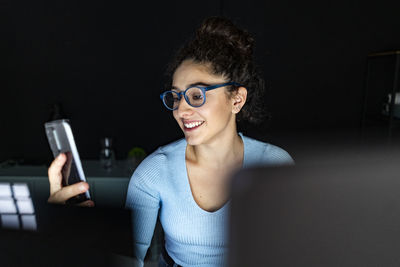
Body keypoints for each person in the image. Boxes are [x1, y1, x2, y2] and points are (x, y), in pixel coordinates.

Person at [47, 17, 293, 267]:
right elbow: (125, 260)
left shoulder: (276, 165)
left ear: (237, 100)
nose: (181, 110)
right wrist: (76, 231)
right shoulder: (154, 172)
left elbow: (296, 250)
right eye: (176, 97)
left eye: (197, 95)